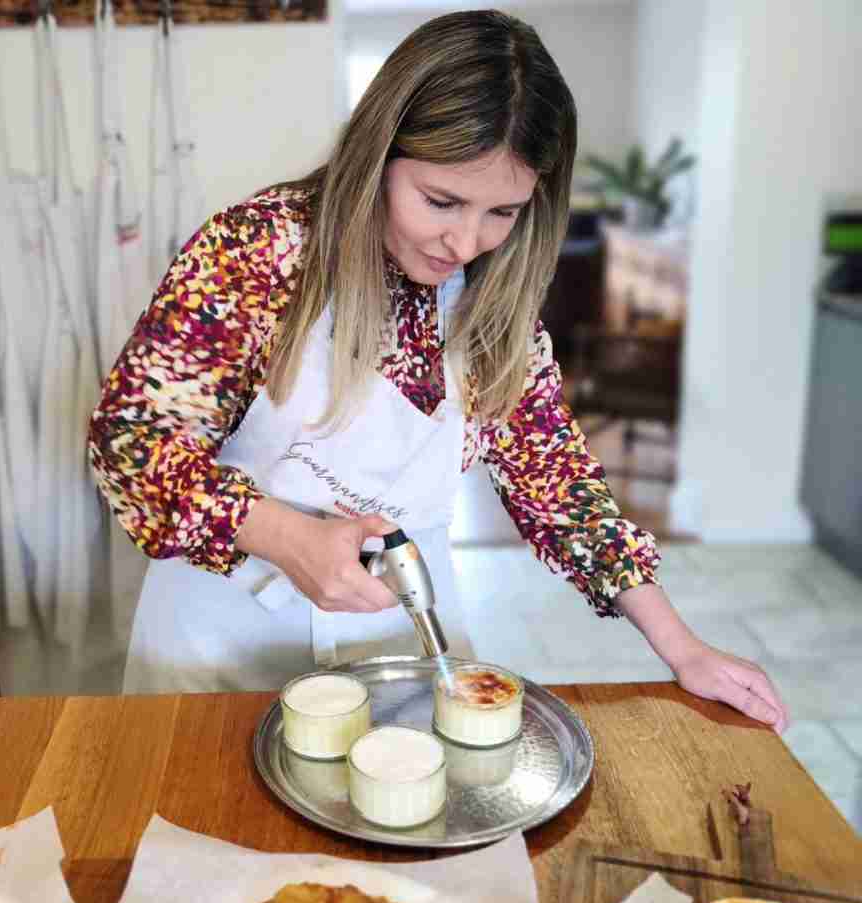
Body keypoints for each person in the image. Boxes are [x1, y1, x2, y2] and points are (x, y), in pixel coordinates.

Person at [88, 10, 788, 731]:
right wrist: (284, 536)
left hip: (400, 640)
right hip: (220, 643)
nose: (465, 241)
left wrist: (682, 647)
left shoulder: (493, 293)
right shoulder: (258, 252)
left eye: (502, 212)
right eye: (440, 201)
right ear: (379, 155)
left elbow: (557, 482)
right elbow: (128, 445)